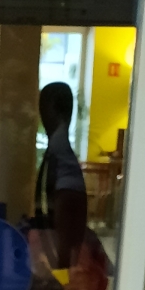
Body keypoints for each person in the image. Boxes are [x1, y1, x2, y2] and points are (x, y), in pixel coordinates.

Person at [36, 80, 88, 270]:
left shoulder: (59, 149)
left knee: (63, 257)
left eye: (44, 108)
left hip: (63, 204)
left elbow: (64, 198)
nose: (41, 115)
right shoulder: (58, 146)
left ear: (56, 112)